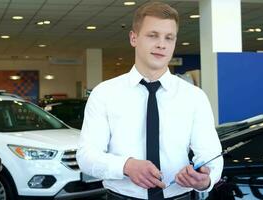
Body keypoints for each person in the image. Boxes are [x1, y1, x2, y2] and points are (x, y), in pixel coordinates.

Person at [76, 1, 223, 200]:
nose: (162, 44)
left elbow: (211, 155)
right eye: (153, 35)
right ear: (133, 38)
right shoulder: (104, 93)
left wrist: (205, 179)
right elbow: (86, 156)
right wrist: (126, 166)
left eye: (169, 38)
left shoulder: (194, 96)